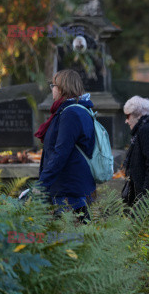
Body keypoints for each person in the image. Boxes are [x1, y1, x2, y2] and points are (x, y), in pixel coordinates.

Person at [35, 69, 95, 223]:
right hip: (72, 186)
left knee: (69, 240)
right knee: (77, 238)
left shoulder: (71, 114)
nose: (52, 89)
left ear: (62, 88)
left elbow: (60, 153)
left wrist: (41, 185)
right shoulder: (78, 109)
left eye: (53, 85)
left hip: (68, 189)